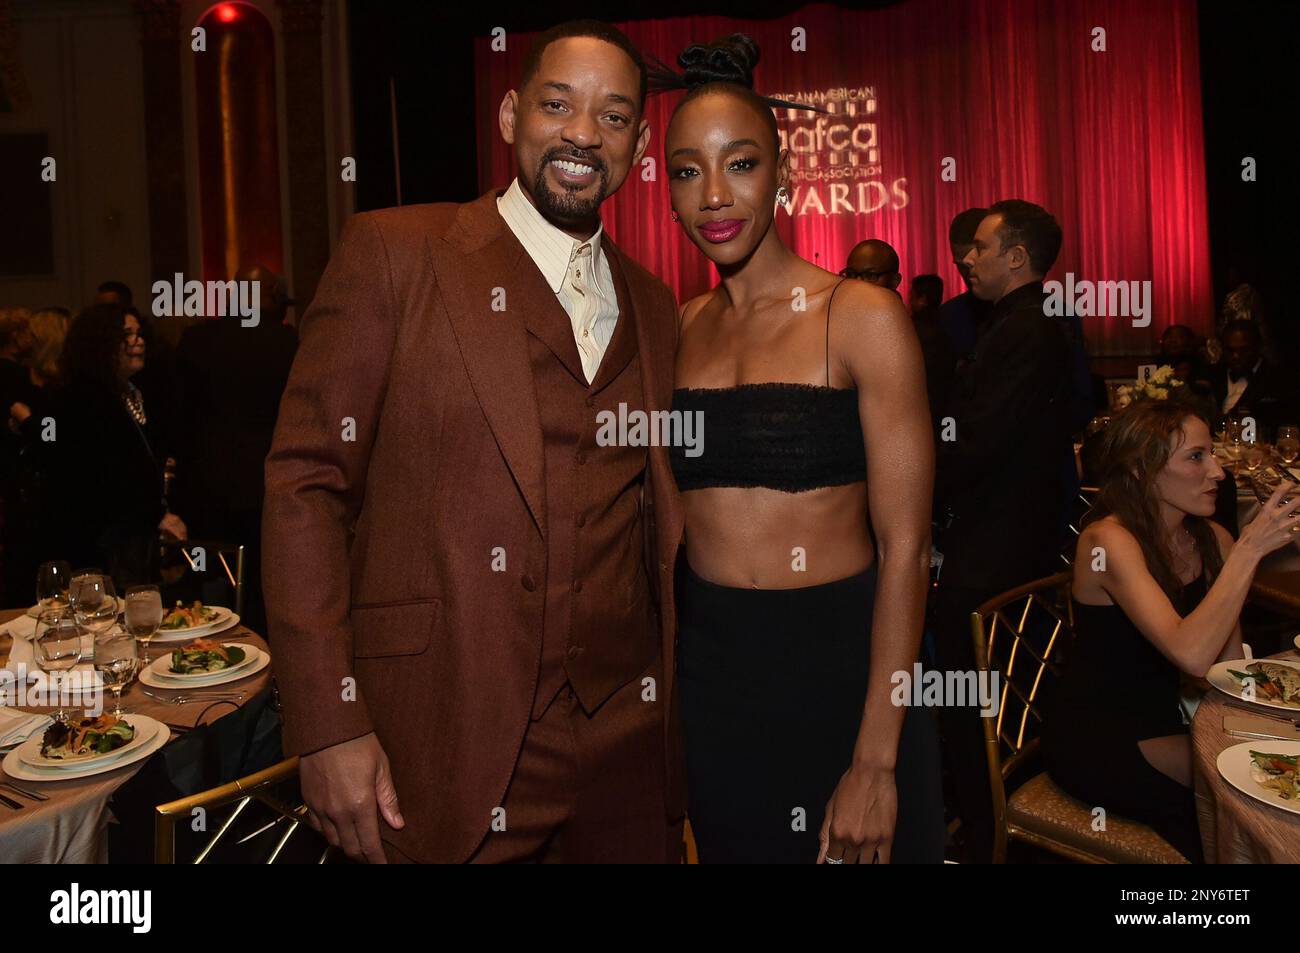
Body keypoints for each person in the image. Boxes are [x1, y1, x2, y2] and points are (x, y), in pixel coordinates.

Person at [263, 19, 685, 864]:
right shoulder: (395, 251)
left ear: (637, 146)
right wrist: (327, 722)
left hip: (628, 747)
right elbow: (306, 483)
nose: (580, 133)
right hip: (445, 736)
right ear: (508, 115)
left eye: (611, 117)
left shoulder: (655, 303)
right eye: (557, 103)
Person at [660, 34, 944, 864]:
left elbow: (906, 549)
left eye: (740, 163)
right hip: (715, 676)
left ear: (782, 174)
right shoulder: (678, 327)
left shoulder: (858, 314)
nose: (714, 194)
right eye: (686, 170)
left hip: (843, 670)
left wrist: (875, 759)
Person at [1044, 399, 1300, 862]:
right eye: (1197, 456)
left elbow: (1228, 668)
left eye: (1213, 454)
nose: (1219, 471)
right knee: (1239, 804)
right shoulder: (1107, 541)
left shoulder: (1210, 540)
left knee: (1279, 780)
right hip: (1103, 734)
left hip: (1174, 718)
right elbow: (1191, 654)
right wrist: (1248, 552)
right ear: (1142, 470)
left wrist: (1272, 719)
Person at [930, 199, 1073, 861]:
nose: (966, 257)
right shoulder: (1038, 318)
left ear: (1016, 257)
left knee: (973, 696)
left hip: (992, 549)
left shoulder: (1024, 328)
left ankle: (985, 832)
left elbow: (976, 441)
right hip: (1020, 537)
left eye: (980, 248)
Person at [173, 264, 298, 635]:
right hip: (268, 483)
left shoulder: (196, 341)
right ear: (273, 297)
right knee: (265, 584)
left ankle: (205, 651)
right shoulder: (288, 344)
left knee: (208, 582)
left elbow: (180, 419)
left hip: (208, 486)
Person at [40, 304, 187, 589]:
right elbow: (97, 477)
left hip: (132, 542)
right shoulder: (80, 398)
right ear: (100, 342)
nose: (138, 341)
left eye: (139, 333)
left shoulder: (132, 392)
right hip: (99, 547)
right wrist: (155, 515)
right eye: (127, 334)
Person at [1203, 319, 1297, 442]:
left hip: (1259, 452)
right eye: (1230, 350)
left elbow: (1287, 429)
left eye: (1244, 350)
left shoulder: (1280, 379)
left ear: (1259, 347)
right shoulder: (1211, 374)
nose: (1236, 356)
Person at [936, 207, 993, 359]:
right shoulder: (948, 316)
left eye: (973, 263)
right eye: (962, 266)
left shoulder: (1045, 313)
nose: (968, 274)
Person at [908, 274, 955, 426]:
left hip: (922, 407)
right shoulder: (948, 323)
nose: (909, 300)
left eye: (912, 296)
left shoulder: (913, 331)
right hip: (946, 405)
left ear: (922, 299)